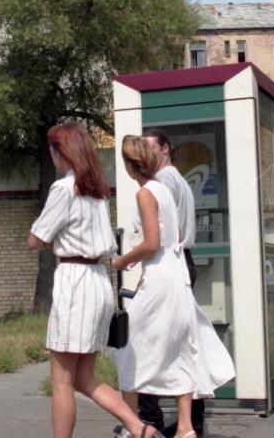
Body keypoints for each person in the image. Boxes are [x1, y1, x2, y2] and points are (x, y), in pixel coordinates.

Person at [27, 123, 158, 438]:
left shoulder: (64, 188)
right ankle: (138, 426)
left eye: (53, 149)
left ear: (63, 152)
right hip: (99, 280)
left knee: (61, 379)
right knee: (84, 377)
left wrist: (53, 240)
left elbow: (36, 238)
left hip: (75, 280)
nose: (52, 155)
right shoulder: (97, 190)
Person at [112, 136, 234, 438]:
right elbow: (175, 236)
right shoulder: (164, 190)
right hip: (175, 273)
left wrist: (123, 260)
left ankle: (134, 426)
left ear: (130, 165)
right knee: (180, 348)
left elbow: (152, 242)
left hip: (159, 276)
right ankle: (185, 427)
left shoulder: (145, 193)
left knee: (128, 347)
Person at [139, 128, 204, 437]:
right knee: (182, 342)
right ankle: (190, 422)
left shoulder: (162, 182)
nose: (144, 155)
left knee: (147, 343)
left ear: (165, 148)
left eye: (149, 148)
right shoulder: (179, 180)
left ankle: (149, 420)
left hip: (169, 262)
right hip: (182, 262)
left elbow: (164, 234)